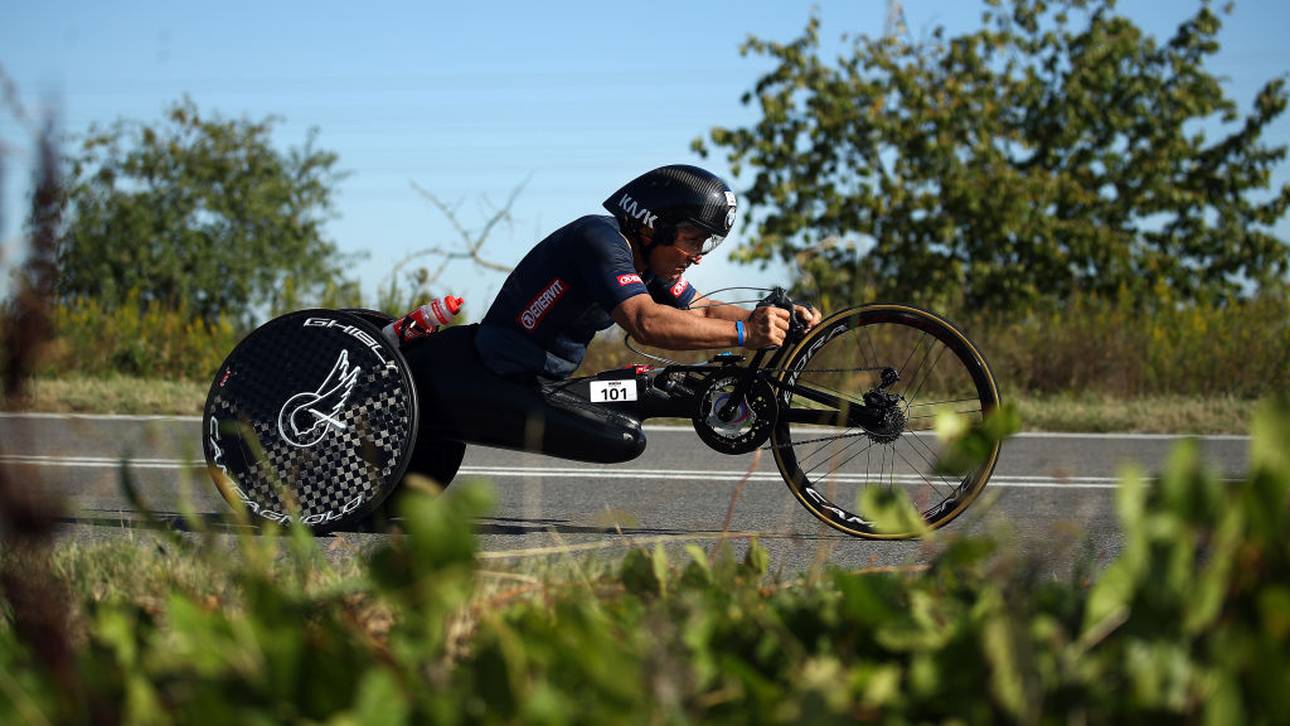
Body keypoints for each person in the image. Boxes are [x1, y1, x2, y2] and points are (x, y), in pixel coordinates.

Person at [399, 164, 822, 475]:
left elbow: (702, 310)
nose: (697, 255)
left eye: (705, 244)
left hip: (548, 384)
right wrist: (748, 333)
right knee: (623, 438)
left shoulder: (648, 263)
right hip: (498, 376)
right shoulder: (598, 240)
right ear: (653, 226)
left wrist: (773, 318)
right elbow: (646, 322)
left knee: (660, 387)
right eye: (692, 239)